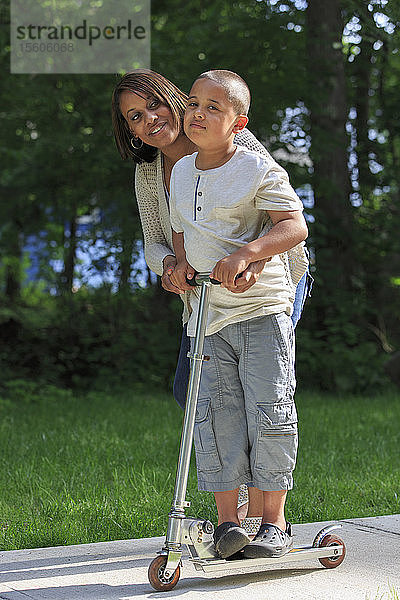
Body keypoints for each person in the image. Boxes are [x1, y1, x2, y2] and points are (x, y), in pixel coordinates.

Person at [112, 69, 286, 530]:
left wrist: (253, 262)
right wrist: (169, 265)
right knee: (194, 391)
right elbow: (158, 238)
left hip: (268, 287)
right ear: (129, 130)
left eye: (154, 104)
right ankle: (236, 510)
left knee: (263, 397)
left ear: (174, 99)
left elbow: (277, 217)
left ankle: (264, 515)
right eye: (135, 116)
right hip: (207, 297)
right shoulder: (151, 174)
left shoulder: (236, 147)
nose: (149, 119)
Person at [168, 69, 308, 559]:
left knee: (268, 410)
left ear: (238, 121)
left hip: (260, 308)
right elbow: (181, 229)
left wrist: (248, 254)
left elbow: (293, 226)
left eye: (213, 107)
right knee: (214, 416)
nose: (197, 113)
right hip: (207, 315)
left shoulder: (256, 168)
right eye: (192, 103)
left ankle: (273, 523)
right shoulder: (182, 171)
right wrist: (180, 265)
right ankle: (230, 523)